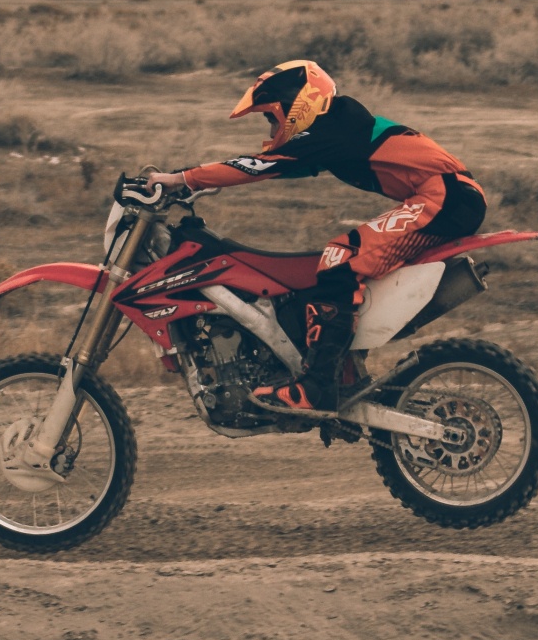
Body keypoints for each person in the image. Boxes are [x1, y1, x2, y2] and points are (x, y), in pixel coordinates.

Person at [144, 59, 486, 417]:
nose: (273, 125)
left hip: (446, 198)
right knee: (339, 257)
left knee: (341, 258)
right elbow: (276, 166)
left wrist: (181, 178)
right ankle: (340, 368)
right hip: (444, 196)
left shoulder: (333, 128)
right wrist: (195, 186)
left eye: (272, 116)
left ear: (296, 104)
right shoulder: (337, 128)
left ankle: (317, 386)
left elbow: (260, 166)